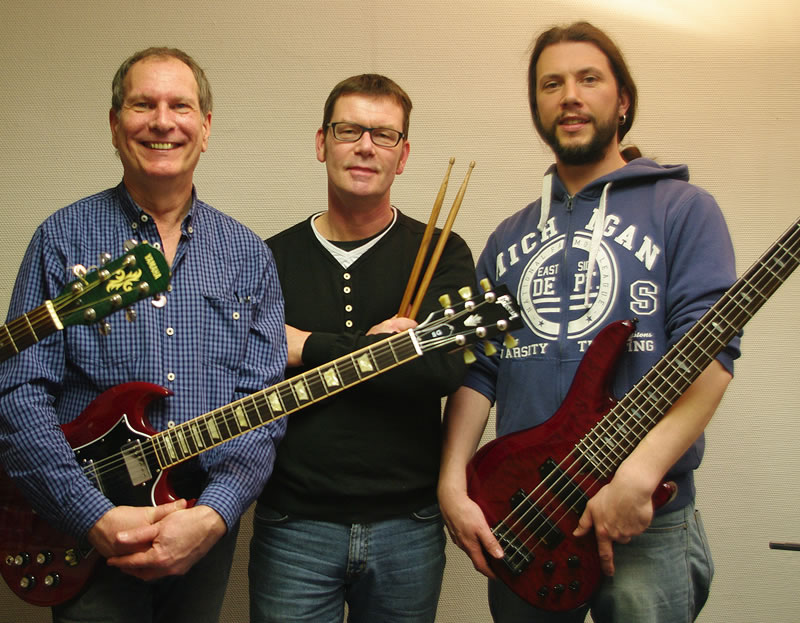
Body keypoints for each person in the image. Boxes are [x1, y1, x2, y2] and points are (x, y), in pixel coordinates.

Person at [438, 21, 739, 623]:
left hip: (642, 519)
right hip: (526, 515)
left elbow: (709, 357)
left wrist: (639, 476)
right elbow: (479, 371)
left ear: (622, 100)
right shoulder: (507, 238)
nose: (569, 96)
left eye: (588, 79)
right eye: (551, 84)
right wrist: (452, 485)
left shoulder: (683, 209)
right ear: (537, 107)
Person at [0, 47, 286, 623]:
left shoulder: (248, 255)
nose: (162, 121)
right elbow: (18, 393)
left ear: (205, 127)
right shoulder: (62, 238)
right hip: (80, 528)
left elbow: (262, 405)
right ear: (114, 124)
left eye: (180, 106)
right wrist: (91, 515)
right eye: (142, 105)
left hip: (199, 525)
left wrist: (214, 515)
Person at [249, 74, 475, 623]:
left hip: (409, 525)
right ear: (321, 142)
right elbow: (247, 373)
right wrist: (381, 350)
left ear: (403, 155)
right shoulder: (267, 258)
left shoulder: (442, 251)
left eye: (384, 134)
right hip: (293, 525)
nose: (366, 146)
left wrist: (304, 346)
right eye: (348, 130)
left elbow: (439, 372)